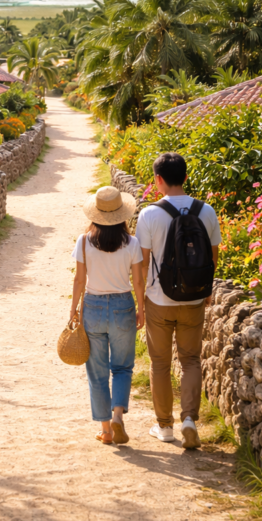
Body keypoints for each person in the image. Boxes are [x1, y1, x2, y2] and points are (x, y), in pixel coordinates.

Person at [136, 153, 221, 448]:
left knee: (159, 363)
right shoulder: (206, 211)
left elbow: (142, 262)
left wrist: (141, 299)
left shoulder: (149, 214)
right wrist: (206, 290)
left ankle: (165, 427)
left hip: (159, 300)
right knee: (191, 360)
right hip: (194, 299)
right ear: (185, 177)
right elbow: (212, 257)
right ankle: (189, 419)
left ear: (158, 179)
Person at [71, 186, 144, 445]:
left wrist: (74, 312)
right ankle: (117, 416)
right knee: (123, 367)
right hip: (123, 305)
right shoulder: (132, 243)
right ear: (122, 215)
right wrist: (141, 309)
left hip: (93, 307)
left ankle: (106, 431)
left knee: (97, 371)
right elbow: (138, 281)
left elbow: (79, 280)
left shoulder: (83, 242)